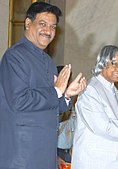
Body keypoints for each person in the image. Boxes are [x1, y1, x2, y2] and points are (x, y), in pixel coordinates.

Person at [0, 2, 86, 169]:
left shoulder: (48, 61)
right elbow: (19, 101)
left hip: (44, 153)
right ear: (27, 23)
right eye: (42, 24)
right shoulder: (15, 57)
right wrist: (56, 91)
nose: (48, 31)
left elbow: (50, 106)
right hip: (22, 155)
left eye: (53, 27)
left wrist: (67, 95)